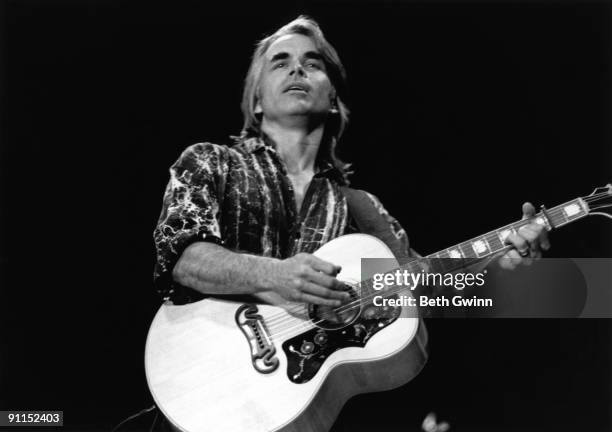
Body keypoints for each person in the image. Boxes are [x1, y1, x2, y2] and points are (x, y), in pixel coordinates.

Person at [151, 15, 550, 430]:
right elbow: (181, 256)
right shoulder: (211, 162)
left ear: (333, 99)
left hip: (298, 408)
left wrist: (507, 260)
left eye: (313, 62)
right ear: (256, 100)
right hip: (200, 383)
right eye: (280, 61)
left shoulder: (361, 208)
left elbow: (427, 291)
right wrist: (275, 275)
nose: (297, 68)